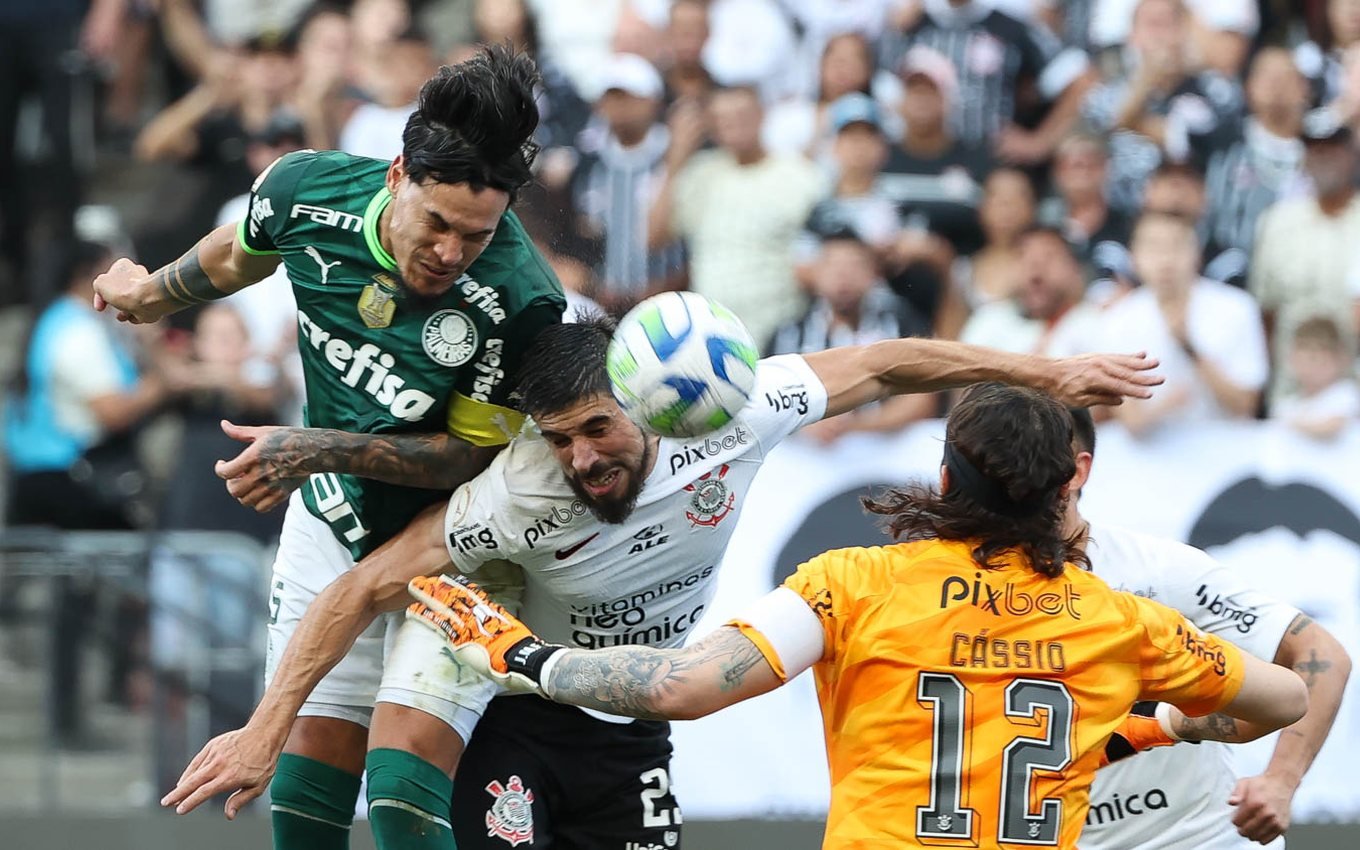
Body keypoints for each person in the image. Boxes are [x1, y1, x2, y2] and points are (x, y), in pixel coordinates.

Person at [161, 319, 1163, 850]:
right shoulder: (512, 494)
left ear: (648, 406)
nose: (584, 460)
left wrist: (1047, 372)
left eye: (600, 430)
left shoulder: (729, 409)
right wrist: (266, 720)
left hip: (634, 728)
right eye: (560, 441)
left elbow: (891, 362)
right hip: (519, 712)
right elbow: (365, 585)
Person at [408, 383, 1309, 850]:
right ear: (1067, 487)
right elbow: (1286, 699)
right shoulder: (1122, 621)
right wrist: (1160, 723)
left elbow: (683, 687)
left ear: (946, 479)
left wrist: (527, 656)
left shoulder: (856, 581)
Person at [92, 46, 565, 850]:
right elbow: (238, 254)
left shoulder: (522, 300)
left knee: (399, 786)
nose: (452, 252)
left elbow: (461, 460)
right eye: (439, 224)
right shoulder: (305, 190)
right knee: (305, 782)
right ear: (396, 175)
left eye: (477, 236)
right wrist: (151, 291)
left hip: (452, 543)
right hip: (331, 524)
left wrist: (314, 448)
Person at [1067, 407, 1351, 849]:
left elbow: (1323, 655)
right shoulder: (954, 589)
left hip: (1202, 839)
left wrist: (1280, 780)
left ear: (1076, 470)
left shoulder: (1155, 569)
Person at [1100, 212, 1268, 435]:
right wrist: (1165, 406)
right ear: (1134, 257)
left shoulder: (1237, 308)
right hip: (1149, 458)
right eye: (1153, 247)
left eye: (1176, 246)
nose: (1166, 259)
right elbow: (1131, 420)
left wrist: (1190, 348)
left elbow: (1246, 404)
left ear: (1196, 253)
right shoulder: (1119, 318)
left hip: (1226, 449)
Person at [1250, 112, 1360, 407]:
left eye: (1333, 148)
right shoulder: (1277, 222)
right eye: (1315, 149)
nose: (1324, 157)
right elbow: (1265, 313)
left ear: (1351, 153)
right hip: (1290, 394)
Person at [960, 226, 1102, 357]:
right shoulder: (990, 318)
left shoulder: (1093, 324)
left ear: (1074, 269)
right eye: (1024, 256)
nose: (1036, 266)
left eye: (1049, 256)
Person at [1269, 316, 1360, 440]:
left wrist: (1293, 425)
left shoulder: (1345, 393)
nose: (1311, 369)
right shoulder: (1289, 404)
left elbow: (1333, 425)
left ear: (1340, 360)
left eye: (1320, 362)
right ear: (1292, 360)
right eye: (1305, 361)